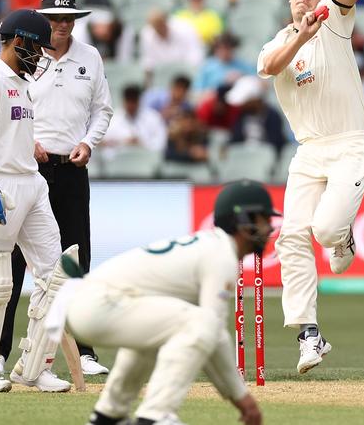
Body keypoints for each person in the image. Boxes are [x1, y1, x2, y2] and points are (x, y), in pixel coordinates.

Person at [48, 179, 269, 425]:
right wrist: (242, 398)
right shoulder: (221, 256)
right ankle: (156, 414)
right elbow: (212, 330)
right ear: (242, 220)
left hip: (86, 304)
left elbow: (210, 335)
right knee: (199, 322)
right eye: (263, 220)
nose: (269, 228)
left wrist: (238, 397)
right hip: (98, 304)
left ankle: (109, 415)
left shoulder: (209, 245)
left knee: (161, 331)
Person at [257, 0, 364, 373]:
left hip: (350, 144)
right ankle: (310, 335)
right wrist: (300, 37)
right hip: (309, 151)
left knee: (325, 231)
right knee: (290, 236)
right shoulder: (279, 40)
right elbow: (270, 67)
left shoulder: (335, 20)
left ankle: (342, 237)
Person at [0, 0, 113, 377]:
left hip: (71, 169)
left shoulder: (90, 57)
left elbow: (103, 109)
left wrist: (88, 142)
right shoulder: (27, 56)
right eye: (55, 19)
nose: (62, 26)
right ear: (43, 20)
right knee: (15, 262)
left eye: (68, 19)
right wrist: (26, 142)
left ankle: (85, 353)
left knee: (76, 259)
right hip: (30, 169)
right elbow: (11, 107)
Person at [0, 8, 72, 393]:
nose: (41, 56)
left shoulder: (23, 83)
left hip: (31, 182)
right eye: (37, 47)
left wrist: (31, 146)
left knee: (58, 275)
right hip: (0, 186)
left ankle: (34, 366)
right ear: (19, 40)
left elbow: (8, 129)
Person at [226, 75, 286, 153]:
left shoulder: (272, 116)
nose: (241, 105)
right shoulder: (240, 115)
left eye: (245, 102)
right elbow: (235, 139)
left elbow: (277, 142)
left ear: (255, 100)